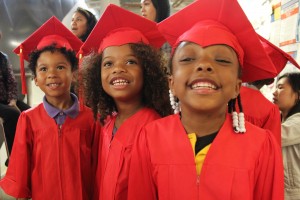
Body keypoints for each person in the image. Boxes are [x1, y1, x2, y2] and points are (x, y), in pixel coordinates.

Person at [127, 0, 284, 199]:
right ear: (172, 82)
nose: (204, 65)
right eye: (188, 59)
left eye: (221, 60)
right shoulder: (148, 139)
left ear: (237, 86)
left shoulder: (262, 146)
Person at [0, 16, 98, 200]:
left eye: (60, 67)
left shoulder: (91, 119)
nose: (52, 74)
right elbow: (21, 167)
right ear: (35, 79)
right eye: (43, 69)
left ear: (74, 74)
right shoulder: (28, 119)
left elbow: (99, 167)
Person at [80, 4, 172, 200]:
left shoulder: (155, 128)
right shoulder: (107, 123)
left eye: (130, 62)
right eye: (108, 64)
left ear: (148, 70)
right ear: (97, 74)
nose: (117, 69)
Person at [0, 30, 30, 159]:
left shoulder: (2, 57)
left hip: (6, 99)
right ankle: (13, 158)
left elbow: (11, 81)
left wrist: (12, 100)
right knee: (13, 114)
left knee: (30, 113)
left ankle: (29, 153)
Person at [273, 72, 300, 200]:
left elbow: (275, 135)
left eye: (280, 87)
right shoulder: (279, 120)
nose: (274, 92)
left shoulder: (298, 122)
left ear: (297, 95)